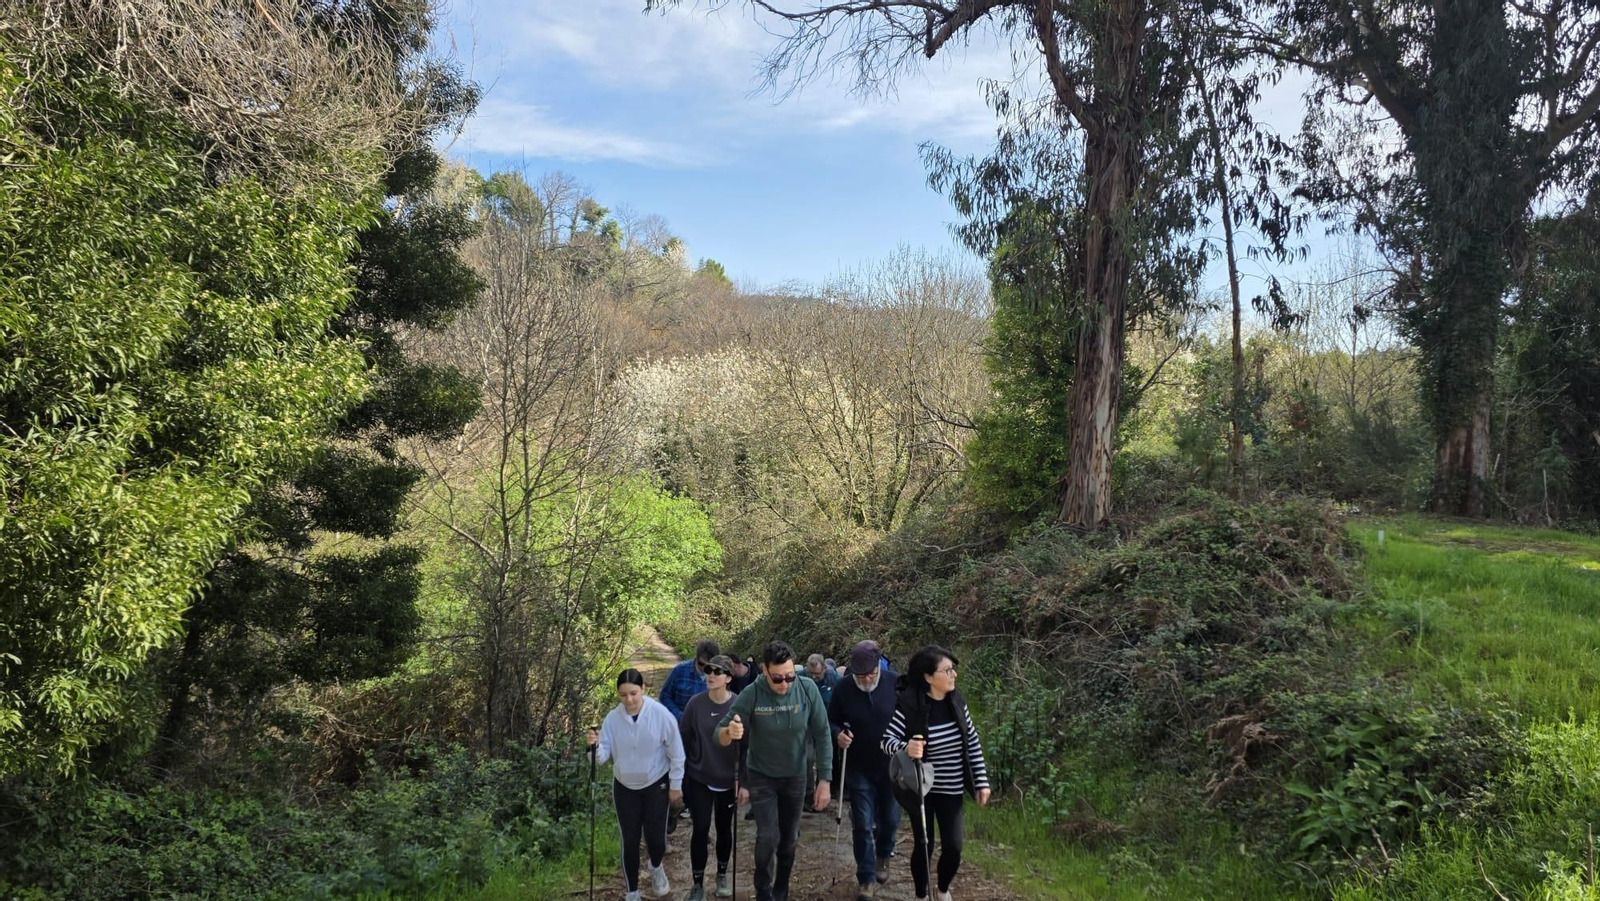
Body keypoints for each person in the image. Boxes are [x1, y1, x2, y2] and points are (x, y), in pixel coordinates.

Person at [719, 641, 832, 901]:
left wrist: (824, 779)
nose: (784, 684)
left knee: (789, 839)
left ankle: (782, 886)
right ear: (764, 671)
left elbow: (823, 733)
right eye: (778, 678)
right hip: (762, 775)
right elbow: (721, 733)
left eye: (790, 677)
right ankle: (763, 890)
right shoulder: (752, 693)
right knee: (767, 837)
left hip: (795, 775)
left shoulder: (807, 689)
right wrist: (729, 732)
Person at [881, 646, 990, 901]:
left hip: (951, 788)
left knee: (953, 848)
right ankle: (921, 894)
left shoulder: (956, 702)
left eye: (953, 669)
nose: (954, 675)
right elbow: (886, 741)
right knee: (924, 844)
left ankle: (942, 889)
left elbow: (971, 742)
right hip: (921, 789)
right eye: (947, 670)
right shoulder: (910, 706)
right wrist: (906, 747)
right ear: (929, 677)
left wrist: (981, 781)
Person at [589, 669, 686, 901]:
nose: (629, 700)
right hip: (624, 786)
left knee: (656, 840)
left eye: (633, 693)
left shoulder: (661, 715)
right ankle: (632, 892)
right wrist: (592, 747)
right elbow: (601, 757)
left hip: (655, 783)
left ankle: (655, 866)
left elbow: (677, 752)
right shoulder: (612, 719)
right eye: (623, 695)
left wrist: (675, 785)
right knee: (630, 840)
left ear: (643, 689)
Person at [829, 640, 902, 900]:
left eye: (871, 673)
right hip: (858, 767)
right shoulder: (843, 688)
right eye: (861, 675)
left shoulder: (895, 683)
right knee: (861, 824)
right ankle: (866, 878)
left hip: (891, 767)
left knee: (891, 819)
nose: (867, 679)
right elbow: (832, 721)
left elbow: (911, 718)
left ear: (878, 667)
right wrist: (838, 735)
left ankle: (884, 852)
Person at [679, 655, 742, 900]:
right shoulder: (695, 704)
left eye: (717, 672)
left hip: (728, 780)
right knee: (701, 828)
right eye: (708, 671)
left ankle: (722, 874)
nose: (711, 675)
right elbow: (683, 739)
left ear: (728, 678)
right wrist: (681, 776)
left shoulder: (738, 704)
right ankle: (697, 884)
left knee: (724, 829)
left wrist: (743, 780)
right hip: (700, 777)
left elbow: (747, 746)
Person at [661, 639, 721, 720]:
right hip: (679, 724)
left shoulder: (720, 677)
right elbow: (665, 696)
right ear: (696, 657)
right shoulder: (680, 670)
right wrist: (679, 716)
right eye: (701, 664)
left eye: (708, 666)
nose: (704, 668)